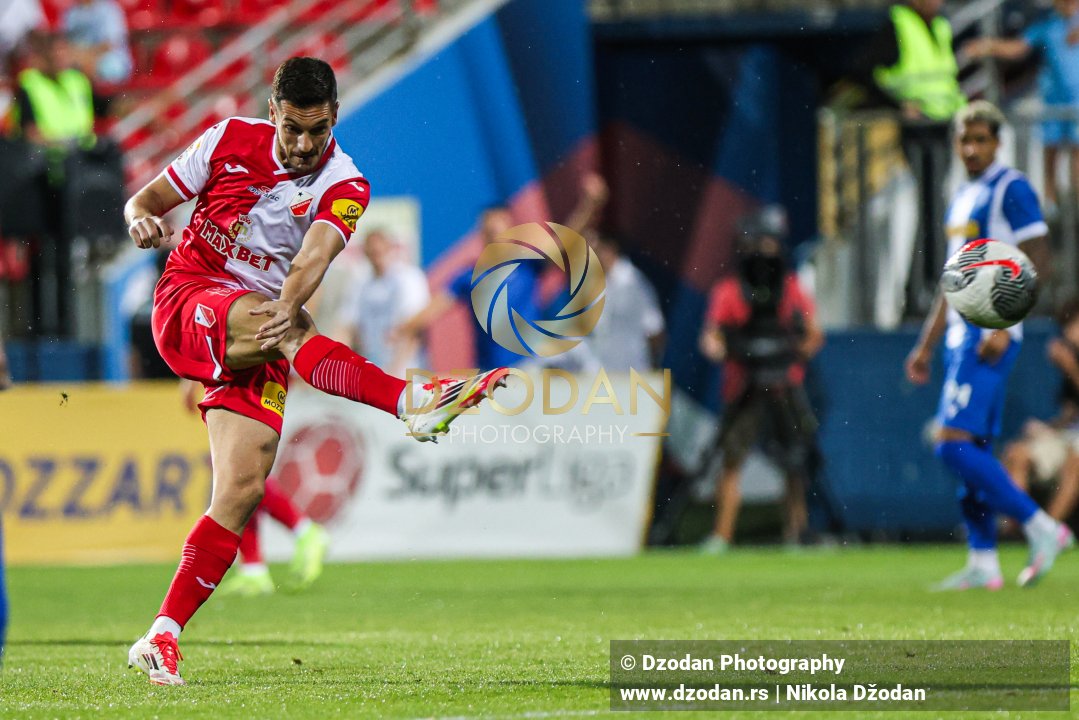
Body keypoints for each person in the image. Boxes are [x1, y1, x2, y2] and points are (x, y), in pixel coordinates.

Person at [123, 57, 507, 686]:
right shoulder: (225, 140)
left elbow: (314, 256)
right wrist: (141, 218)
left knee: (241, 491)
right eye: (292, 129)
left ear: (334, 117)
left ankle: (161, 634)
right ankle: (411, 404)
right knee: (291, 331)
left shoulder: (346, 184)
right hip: (190, 298)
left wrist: (286, 305)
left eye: (318, 130)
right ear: (272, 113)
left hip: (261, 328)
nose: (304, 145)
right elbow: (148, 199)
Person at [905, 100, 1072, 591]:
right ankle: (984, 562)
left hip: (989, 332)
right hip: (962, 333)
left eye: (981, 139)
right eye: (964, 140)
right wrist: (925, 345)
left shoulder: (1010, 187)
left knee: (950, 444)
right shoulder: (962, 195)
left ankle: (1043, 528)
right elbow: (952, 281)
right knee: (973, 449)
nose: (972, 148)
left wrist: (1005, 323)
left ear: (998, 142)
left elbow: (1039, 257)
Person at [698, 205, 824, 552]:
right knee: (732, 458)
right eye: (757, 244)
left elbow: (814, 334)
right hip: (743, 384)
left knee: (794, 459)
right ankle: (722, 536)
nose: (763, 253)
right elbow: (711, 338)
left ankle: (796, 533)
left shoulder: (792, 287)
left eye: (769, 244)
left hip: (786, 382)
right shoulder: (728, 290)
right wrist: (728, 349)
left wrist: (790, 354)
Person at [397, 174, 609, 370]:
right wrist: (403, 327)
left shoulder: (527, 263)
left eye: (499, 227)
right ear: (482, 231)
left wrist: (589, 205)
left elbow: (566, 242)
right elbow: (434, 308)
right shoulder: (468, 276)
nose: (494, 233)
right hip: (489, 373)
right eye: (489, 229)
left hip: (529, 367)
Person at [860, 0, 967, 314]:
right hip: (918, 133)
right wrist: (897, 107)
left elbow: (946, 79)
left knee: (937, 212)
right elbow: (865, 71)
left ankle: (932, 287)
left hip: (942, 129)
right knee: (928, 211)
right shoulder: (898, 24)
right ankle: (919, 292)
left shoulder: (941, 25)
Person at [963, 0, 1079, 214]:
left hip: (1076, 105)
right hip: (1054, 103)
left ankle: (1074, 211)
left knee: (1076, 158)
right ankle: (1051, 210)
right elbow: (1019, 47)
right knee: (1051, 155)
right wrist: (988, 45)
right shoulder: (1047, 25)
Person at [1002, 298, 1079, 524]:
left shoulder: (1070, 363)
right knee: (1017, 453)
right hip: (1069, 435)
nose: (1071, 331)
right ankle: (1017, 532)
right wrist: (1048, 427)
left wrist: (1071, 367)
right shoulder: (1071, 357)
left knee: (1075, 460)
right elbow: (1071, 415)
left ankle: (1050, 533)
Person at [335, 229, 429, 377]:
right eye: (372, 252)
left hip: (406, 372)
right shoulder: (360, 283)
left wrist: (395, 371)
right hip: (373, 371)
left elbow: (414, 329)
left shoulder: (409, 278)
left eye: (380, 251)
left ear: (391, 248)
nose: (376, 256)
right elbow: (347, 328)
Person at [586, 232, 665, 372]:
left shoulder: (632, 282)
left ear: (609, 248)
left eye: (594, 251)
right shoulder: (596, 283)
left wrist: (651, 368)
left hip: (630, 373)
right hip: (601, 372)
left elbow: (655, 330)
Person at [63, 0, 132, 86]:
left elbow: (110, 44)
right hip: (79, 59)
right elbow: (65, 44)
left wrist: (88, 59)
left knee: (109, 66)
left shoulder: (108, 9)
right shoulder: (71, 12)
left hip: (107, 58)